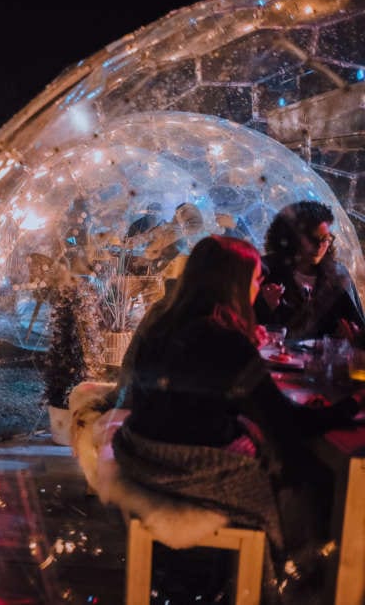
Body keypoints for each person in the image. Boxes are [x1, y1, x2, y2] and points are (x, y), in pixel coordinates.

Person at [112, 235, 365, 598]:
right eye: (256, 278)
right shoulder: (224, 340)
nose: (259, 286)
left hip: (143, 451)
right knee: (310, 470)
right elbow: (285, 426)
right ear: (235, 282)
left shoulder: (166, 323)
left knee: (271, 443)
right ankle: (301, 578)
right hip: (187, 466)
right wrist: (351, 405)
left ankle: (239, 576)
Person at [255, 200, 365, 342]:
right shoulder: (266, 271)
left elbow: (357, 327)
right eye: (312, 239)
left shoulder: (337, 275)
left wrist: (352, 335)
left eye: (325, 239)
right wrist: (264, 306)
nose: (319, 246)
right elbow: (247, 327)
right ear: (292, 237)